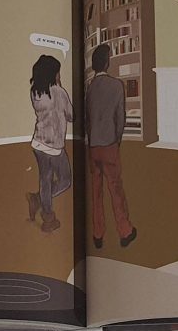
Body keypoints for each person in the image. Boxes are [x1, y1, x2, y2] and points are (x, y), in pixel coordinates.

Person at [85, 44, 136, 249]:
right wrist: (117, 140)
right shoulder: (116, 85)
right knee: (115, 189)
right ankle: (125, 231)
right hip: (109, 144)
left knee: (96, 191)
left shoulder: (90, 88)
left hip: (93, 145)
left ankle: (98, 234)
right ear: (107, 62)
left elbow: (88, 119)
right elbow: (120, 118)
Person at [26, 55, 74, 233]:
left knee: (45, 180)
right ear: (53, 73)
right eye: (57, 72)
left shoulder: (35, 91)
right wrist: (60, 86)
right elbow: (71, 115)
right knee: (65, 180)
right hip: (54, 146)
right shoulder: (59, 92)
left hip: (38, 143)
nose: (59, 75)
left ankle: (47, 217)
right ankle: (39, 201)